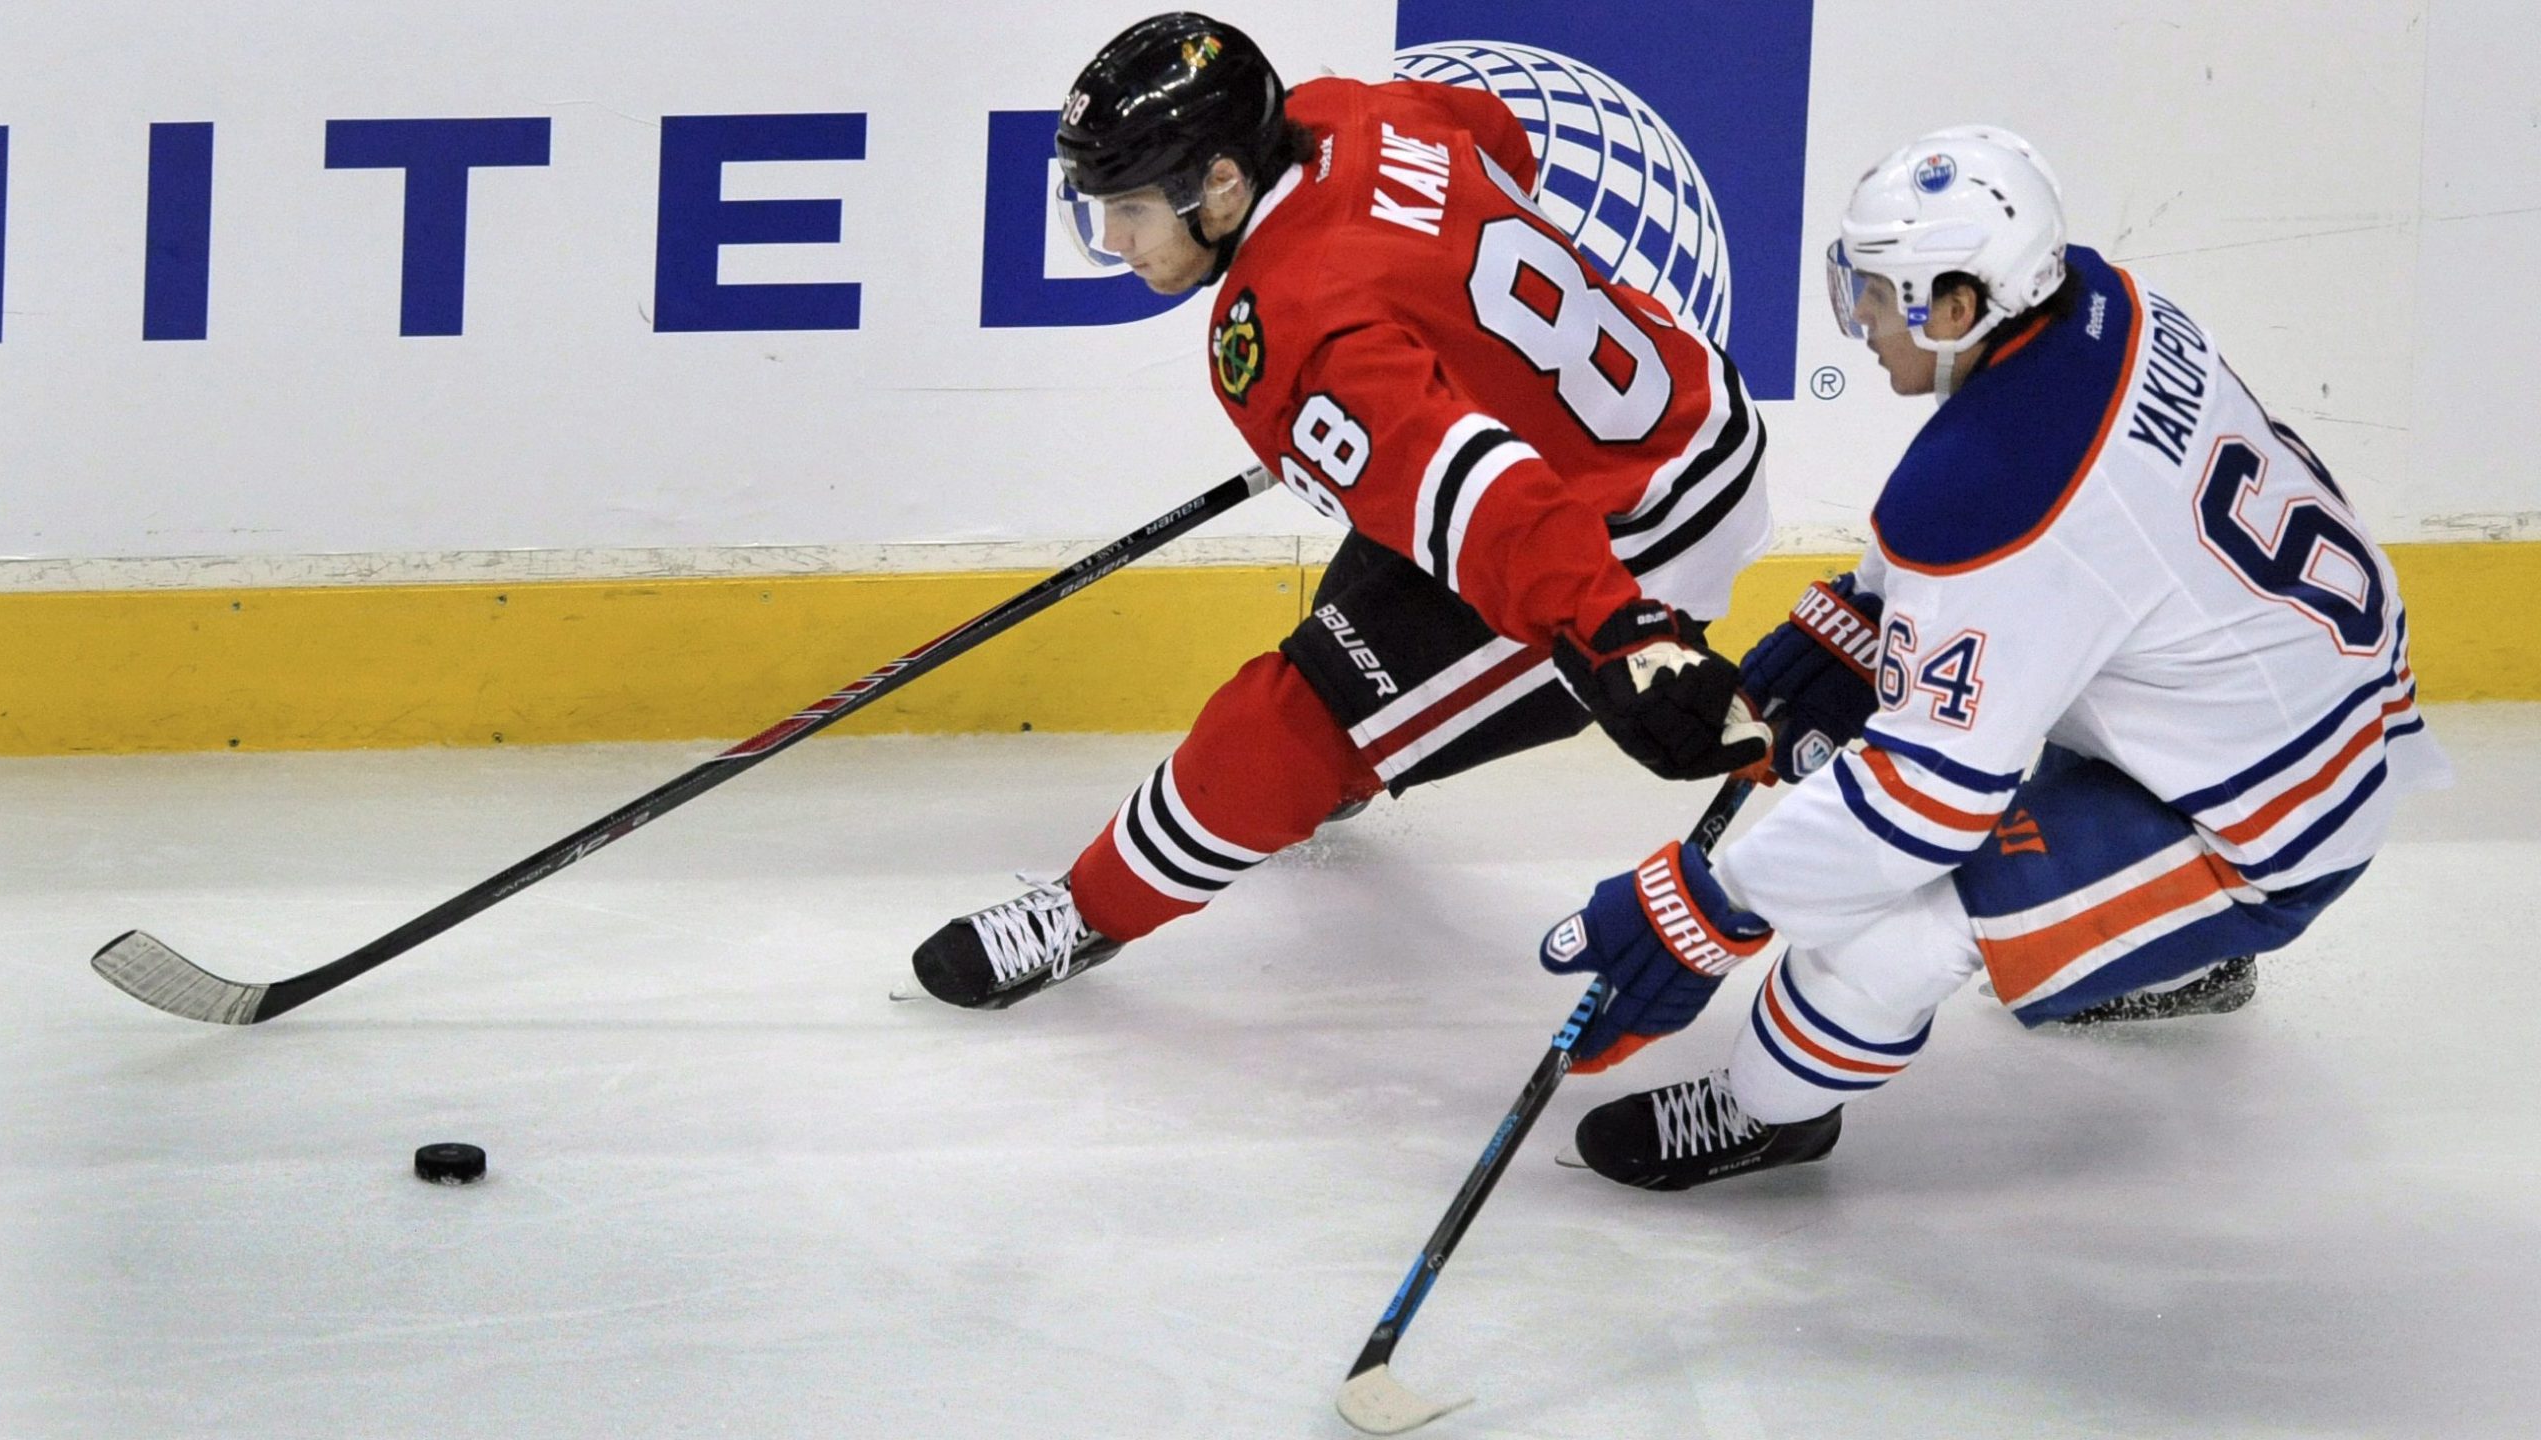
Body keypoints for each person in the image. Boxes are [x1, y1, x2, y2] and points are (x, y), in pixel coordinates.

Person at [1533, 128, 2452, 1190]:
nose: (1862, 322)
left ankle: (1767, 1113)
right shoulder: (2108, 306)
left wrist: (1708, 903)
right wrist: (1866, 619)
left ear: (1961, 307)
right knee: (1906, 818)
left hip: (2266, 821)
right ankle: (2165, 949)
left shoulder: (2000, 483)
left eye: (1877, 294)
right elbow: (2079, 545)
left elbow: (1927, 805)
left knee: (1888, 939)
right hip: (2293, 690)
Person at [911, 13, 1776, 1008]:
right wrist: (1416, 350)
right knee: (1361, 588)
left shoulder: (1290, 326)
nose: (1115, 241)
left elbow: (1485, 495)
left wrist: (1621, 632)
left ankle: (1086, 913)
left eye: (1134, 211)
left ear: (1225, 184)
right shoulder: (1341, 114)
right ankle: (1337, 776)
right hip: (1684, 398)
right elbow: (1495, 137)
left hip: (1631, 530)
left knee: (1299, 711)